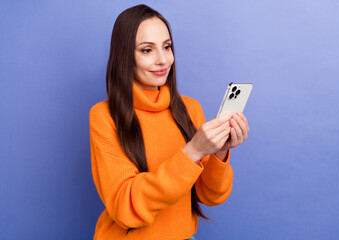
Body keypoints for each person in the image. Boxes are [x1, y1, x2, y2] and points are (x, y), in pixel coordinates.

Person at [89, 4, 249, 240]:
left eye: (167, 47)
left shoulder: (189, 109)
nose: (163, 60)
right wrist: (193, 151)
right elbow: (125, 206)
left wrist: (219, 152)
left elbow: (211, 196)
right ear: (125, 55)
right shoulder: (104, 116)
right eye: (146, 50)